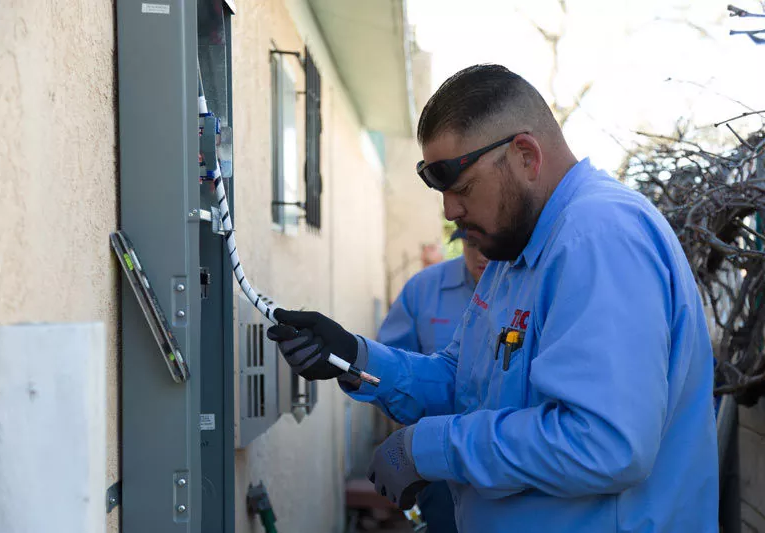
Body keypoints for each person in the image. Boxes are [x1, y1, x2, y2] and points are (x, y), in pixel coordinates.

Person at [267, 64, 718, 532]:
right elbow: (461, 383)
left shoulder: (597, 237)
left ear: (525, 155)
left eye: (462, 188)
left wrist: (429, 448)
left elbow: (604, 445)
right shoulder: (514, 251)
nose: (450, 211)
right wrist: (354, 359)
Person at [377, 228, 487, 532]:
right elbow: (391, 368)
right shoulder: (423, 288)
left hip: (506, 457)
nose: (481, 254)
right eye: (471, 243)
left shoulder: (526, 285)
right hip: (437, 459)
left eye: (487, 241)